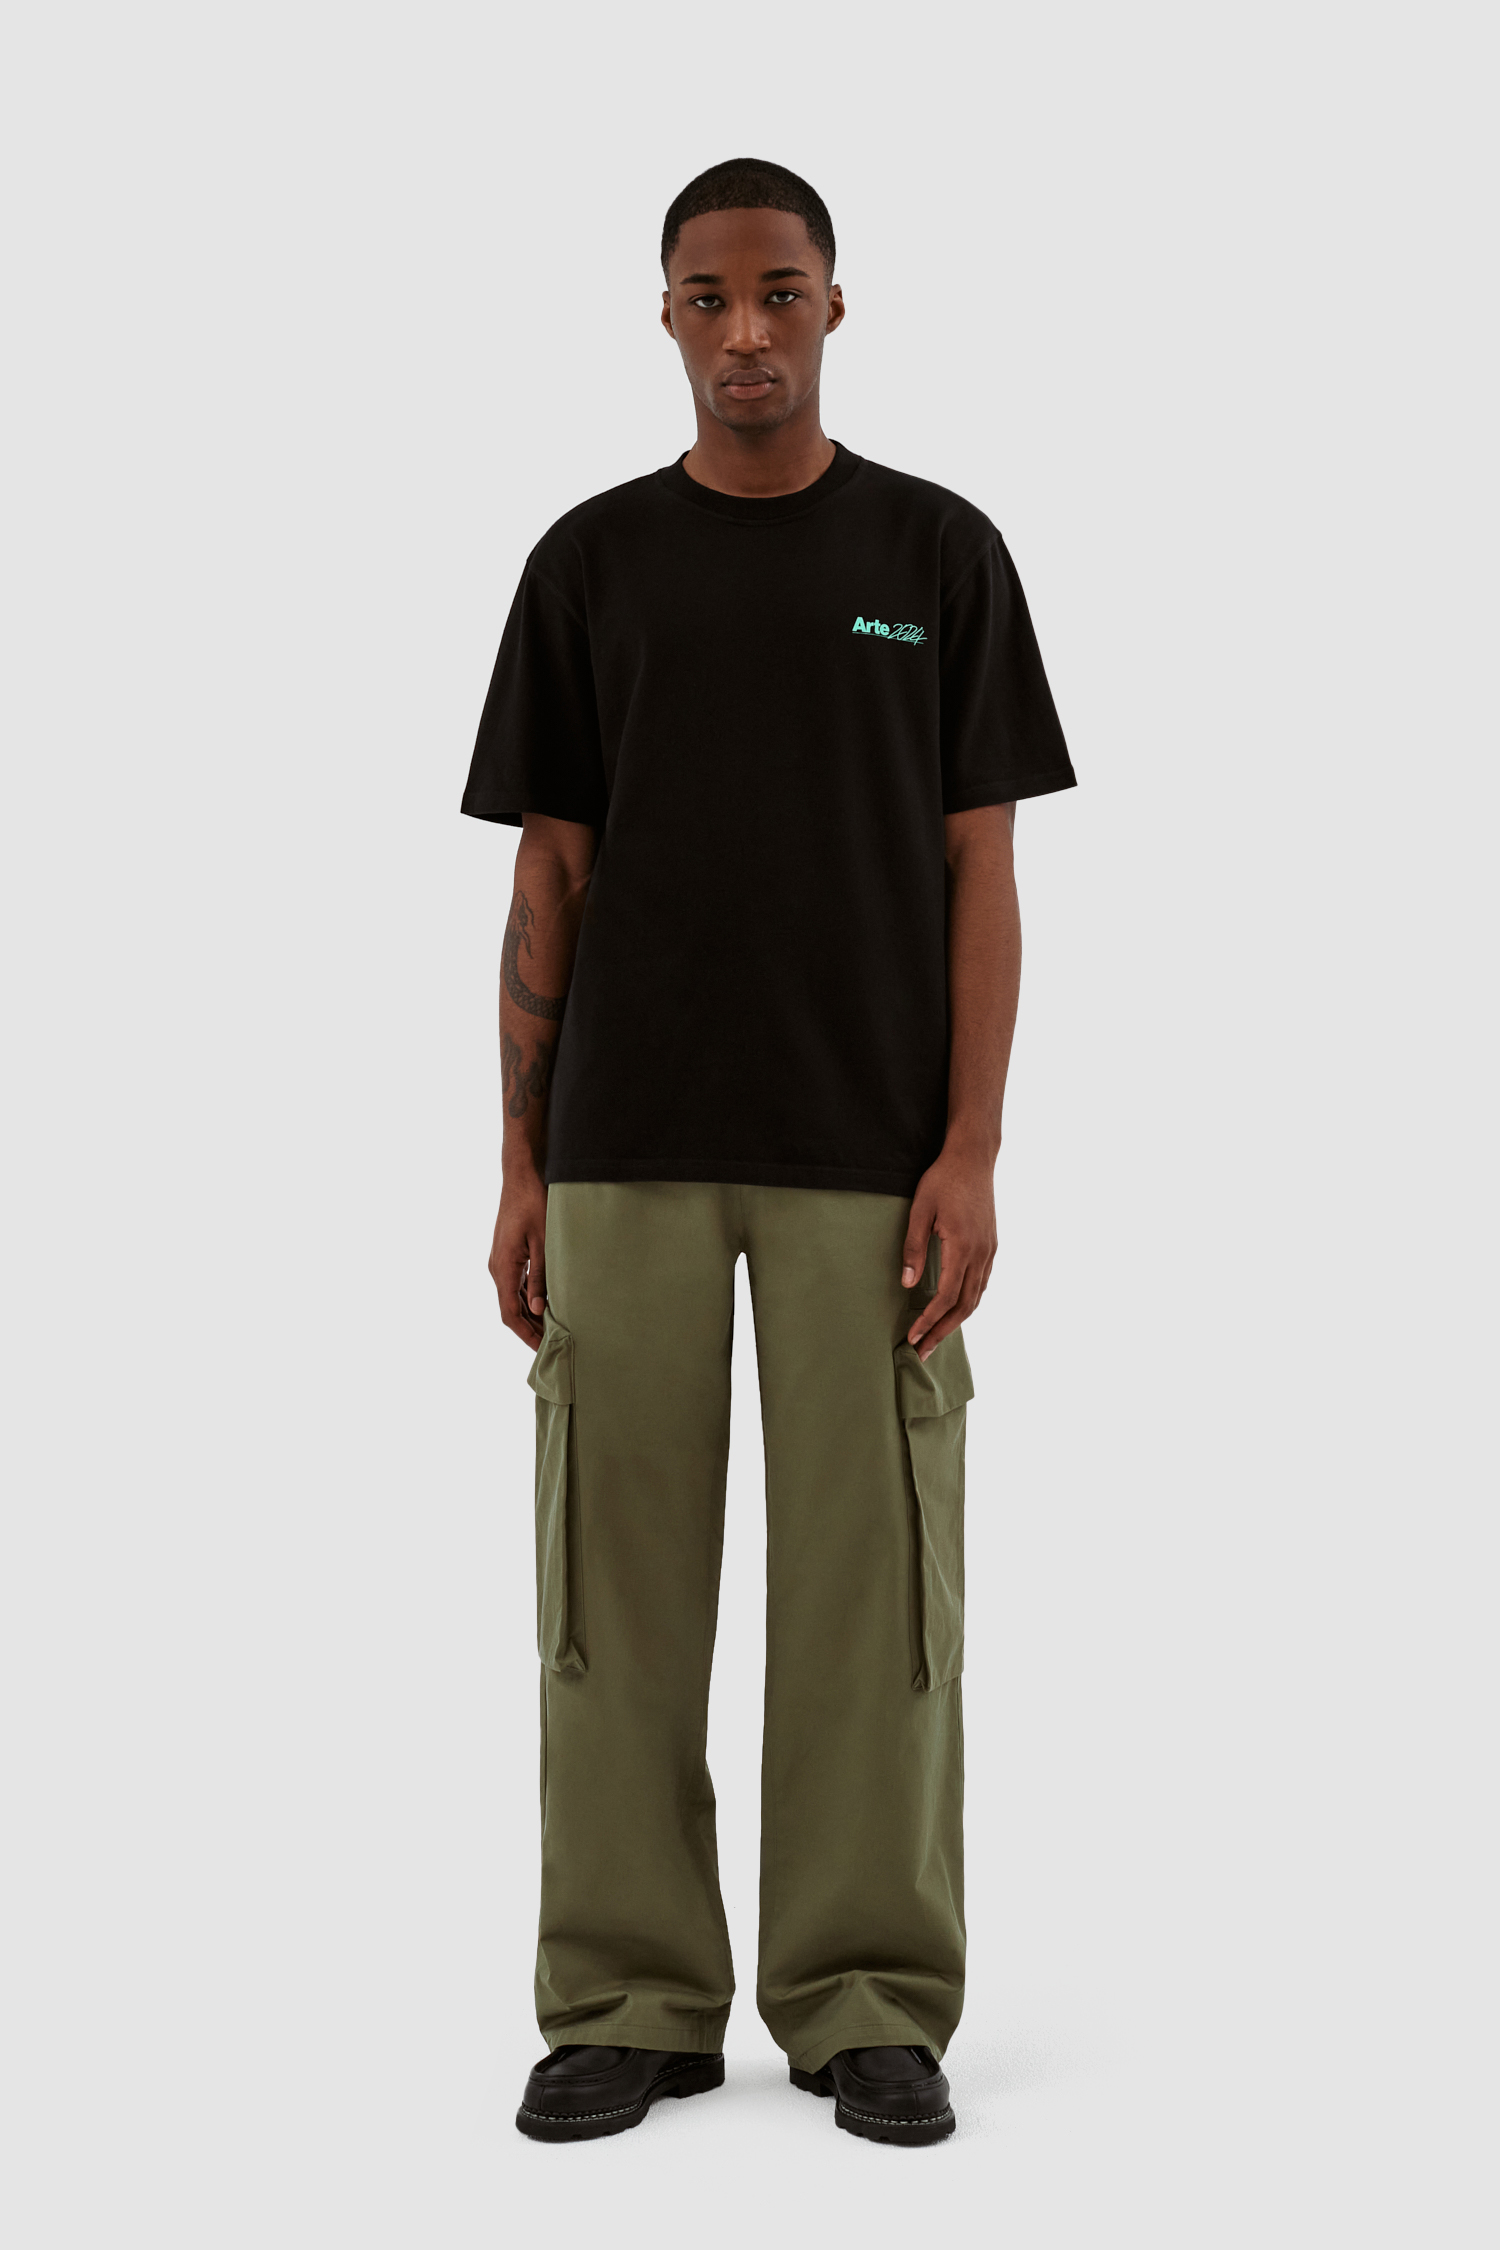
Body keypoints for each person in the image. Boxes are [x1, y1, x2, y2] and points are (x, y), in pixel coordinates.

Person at [460, 156, 1075, 2147]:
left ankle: (866, 1994)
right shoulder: (588, 565)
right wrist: (520, 1160)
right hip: (625, 1143)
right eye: (711, 297)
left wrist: (973, 1145)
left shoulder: (939, 553)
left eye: (781, 291)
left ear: (833, 305)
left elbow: (984, 871)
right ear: (666, 317)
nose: (747, 330)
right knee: (608, 1593)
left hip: (868, 1153)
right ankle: (627, 1996)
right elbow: (549, 878)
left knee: (874, 1593)